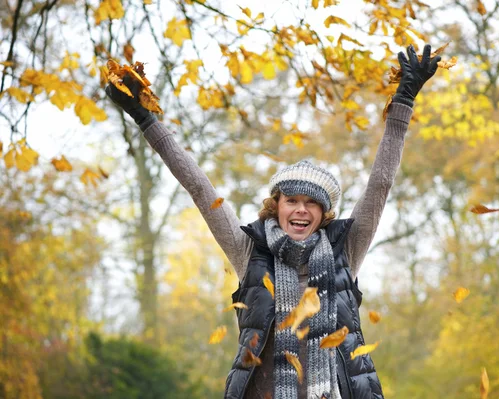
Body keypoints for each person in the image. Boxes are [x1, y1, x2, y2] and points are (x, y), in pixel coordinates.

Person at [106, 43, 440, 399]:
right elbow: (199, 188)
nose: (300, 210)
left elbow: (381, 183)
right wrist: (146, 118)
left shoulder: (346, 248)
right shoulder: (250, 250)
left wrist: (403, 100)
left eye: (312, 204)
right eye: (292, 200)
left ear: (324, 214)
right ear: (275, 205)